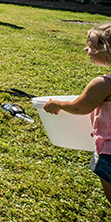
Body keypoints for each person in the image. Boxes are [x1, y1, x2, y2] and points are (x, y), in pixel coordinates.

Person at [44, 23, 111, 204]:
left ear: (106, 51)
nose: (85, 48)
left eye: (91, 46)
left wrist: (57, 104)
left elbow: (79, 107)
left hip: (109, 151)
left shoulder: (103, 84)